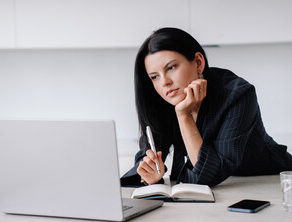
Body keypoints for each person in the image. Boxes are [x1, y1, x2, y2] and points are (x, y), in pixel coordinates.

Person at [121, 27, 292, 187]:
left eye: (171, 67)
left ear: (198, 62)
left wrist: (183, 115)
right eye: (154, 76)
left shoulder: (238, 95)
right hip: (222, 188)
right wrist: (149, 174)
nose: (165, 82)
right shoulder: (164, 100)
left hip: (270, 180)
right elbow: (145, 160)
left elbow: (209, 175)